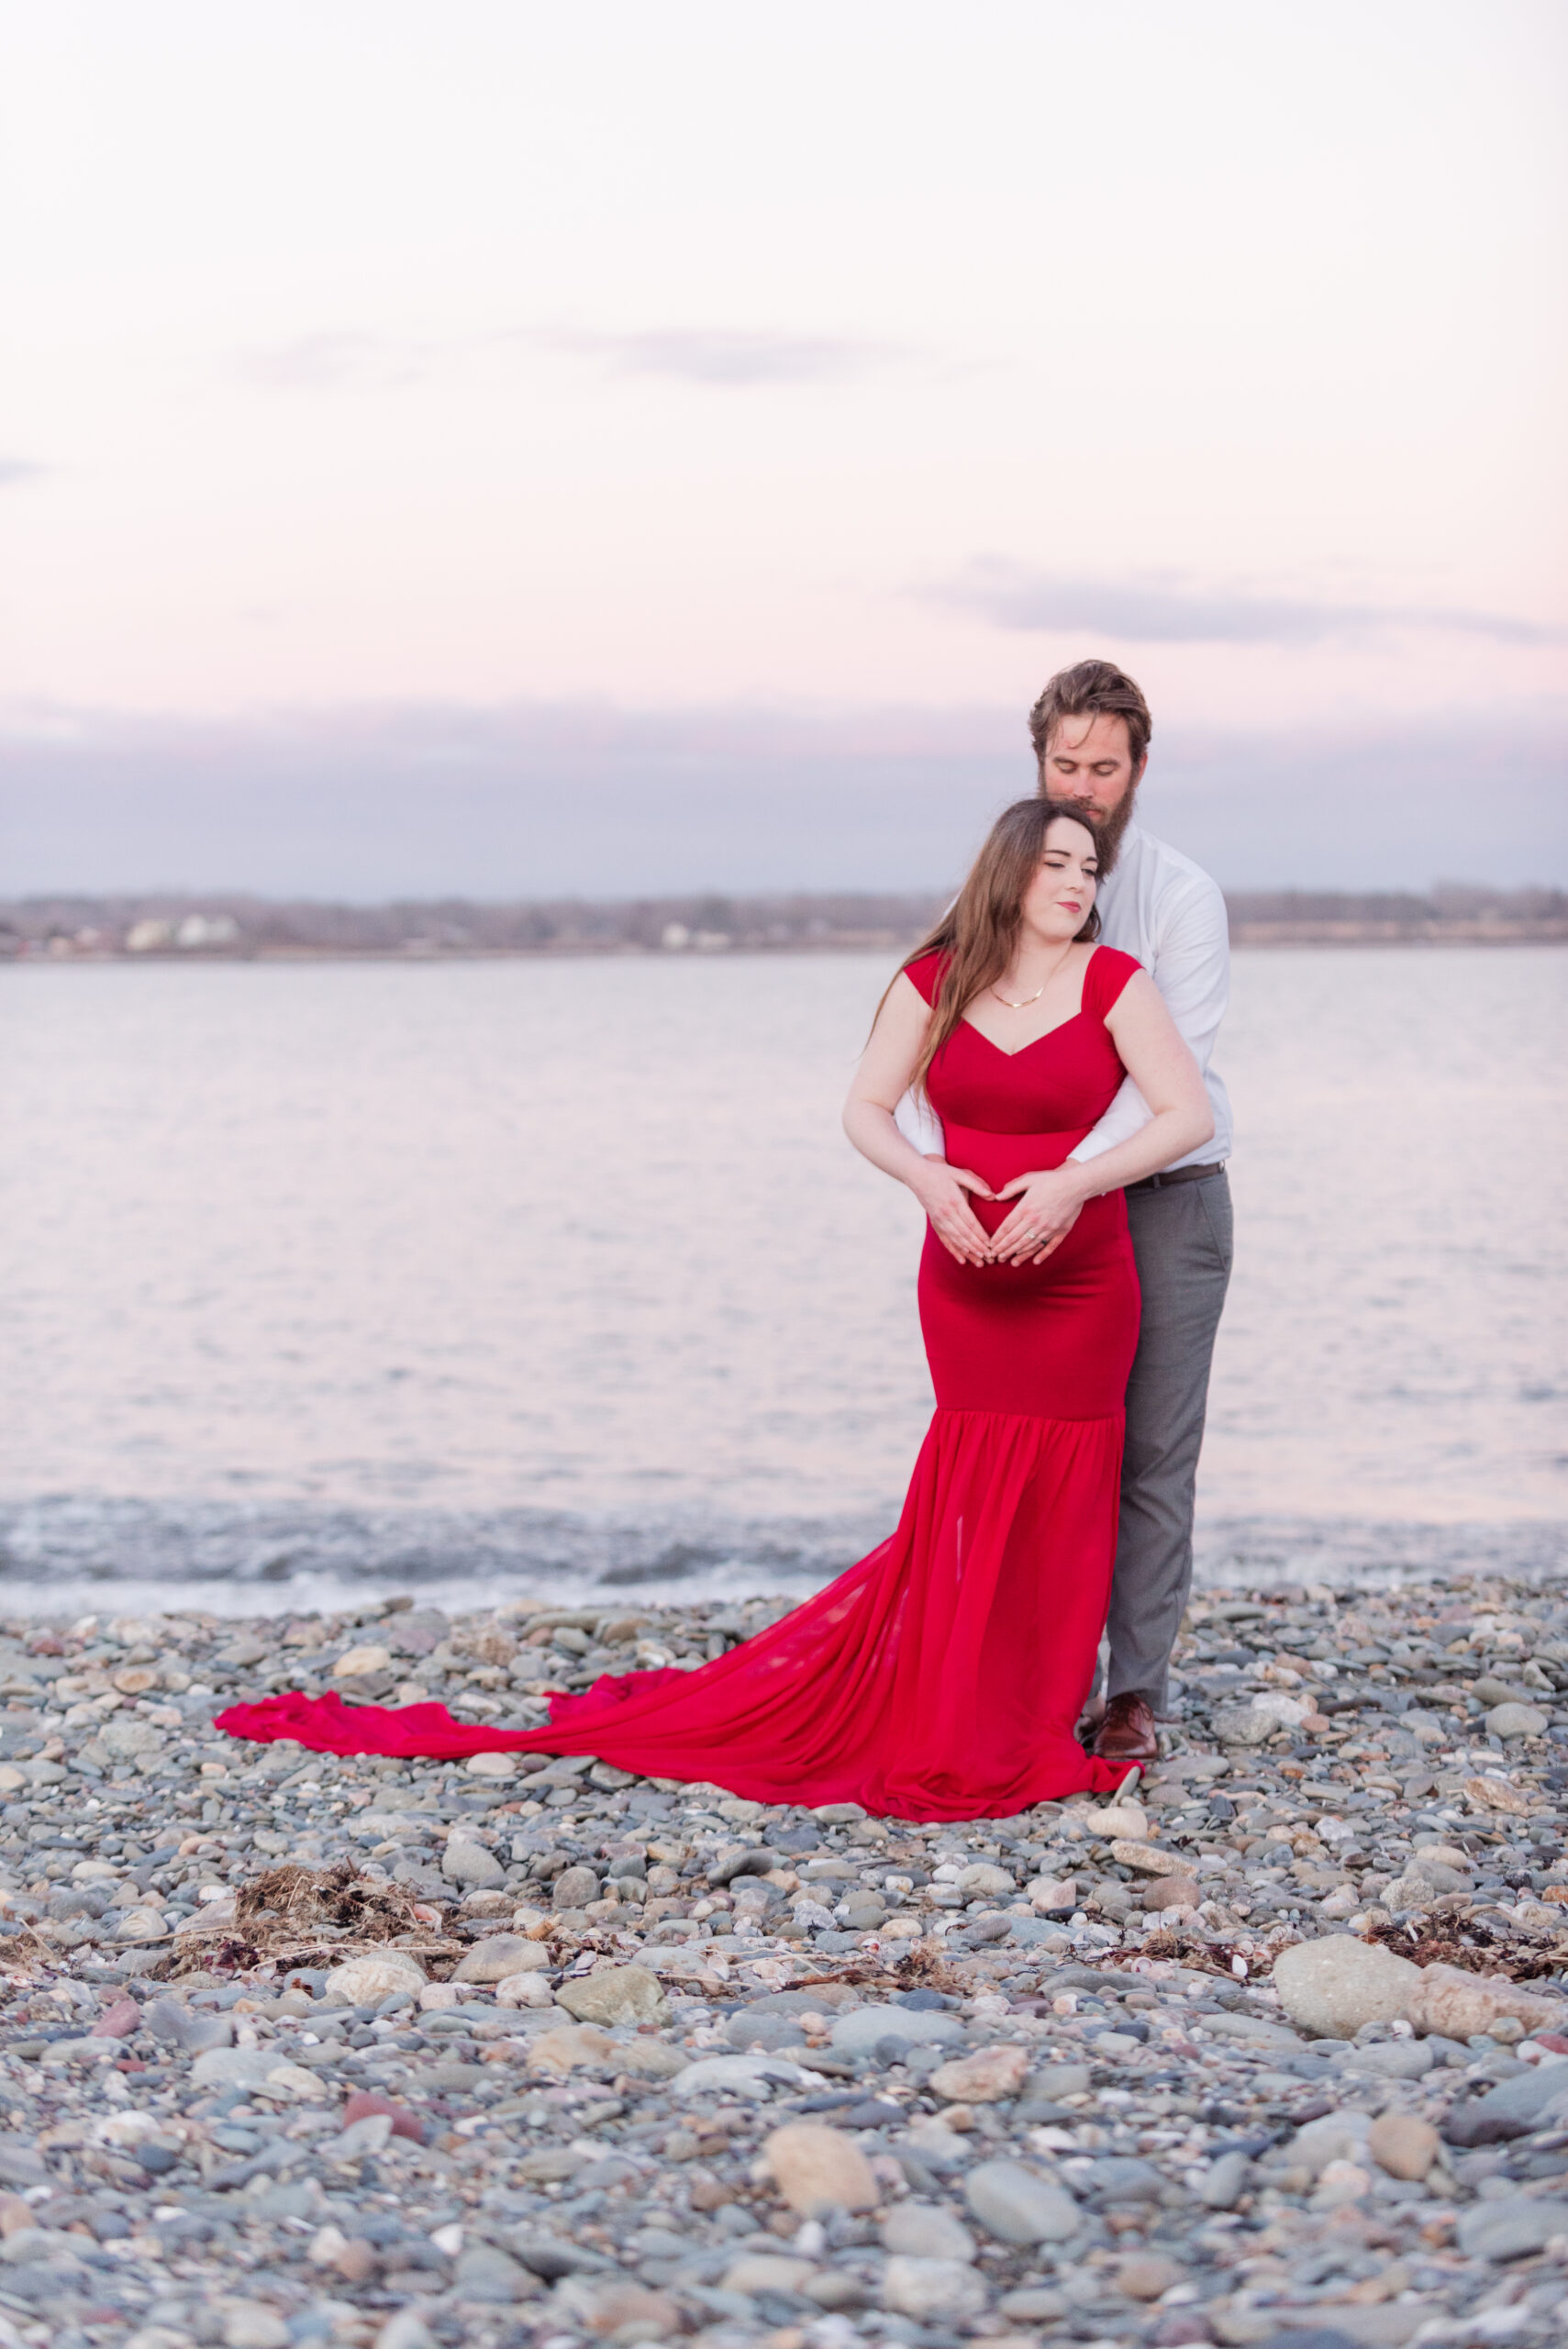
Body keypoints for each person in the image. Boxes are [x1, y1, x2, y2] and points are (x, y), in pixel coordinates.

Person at [219, 796, 1212, 1819]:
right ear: (1007, 869)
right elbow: (863, 1109)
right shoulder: (935, 978)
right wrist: (925, 1179)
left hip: (1082, 1276)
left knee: (1065, 1489)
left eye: (1088, 869)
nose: (1075, 883)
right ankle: (953, 1694)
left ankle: (1036, 1711)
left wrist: (1073, 1181)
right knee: (966, 1482)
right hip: (962, 1275)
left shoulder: (1113, 983)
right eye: (1054, 862)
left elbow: (1188, 1113)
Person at [902, 660, 1233, 1767]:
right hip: (1030, 1215)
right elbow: (955, 1029)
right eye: (1064, 764)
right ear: (1036, 761)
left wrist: (1059, 1181)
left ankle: (1131, 1690)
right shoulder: (1002, 891)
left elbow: (1162, 1083)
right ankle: (1014, 1681)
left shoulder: (1177, 895)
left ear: (1139, 768)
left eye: (1104, 766)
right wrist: (952, 1176)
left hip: (1162, 1202)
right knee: (1020, 1455)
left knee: (1146, 1455)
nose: (1084, 785)